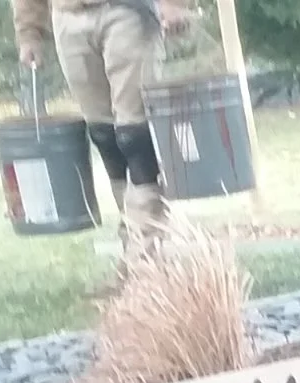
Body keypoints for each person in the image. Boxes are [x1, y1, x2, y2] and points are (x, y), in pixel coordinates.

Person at [11, 0, 192, 289]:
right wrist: (29, 31)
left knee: (135, 134)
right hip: (68, 17)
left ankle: (147, 258)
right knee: (105, 135)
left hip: (129, 11)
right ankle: (133, 249)